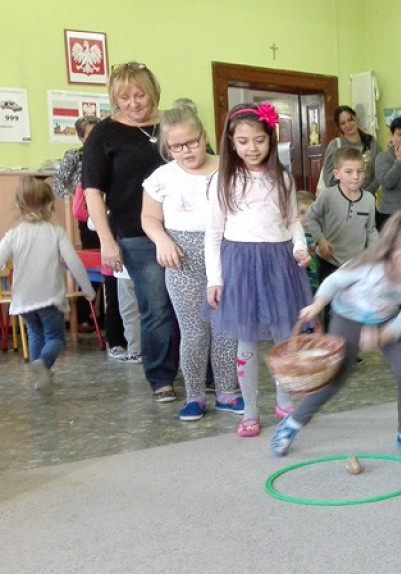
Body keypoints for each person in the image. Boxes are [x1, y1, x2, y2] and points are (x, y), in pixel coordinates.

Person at [270, 210, 401, 457]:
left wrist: (381, 336)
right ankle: (292, 423)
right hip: (347, 318)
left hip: (386, 321)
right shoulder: (368, 266)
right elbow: (333, 283)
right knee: (336, 379)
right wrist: (318, 305)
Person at [206, 102, 312, 437]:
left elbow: (293, 219)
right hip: (240, 265)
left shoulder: (281, 178)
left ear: (270, 139)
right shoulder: (223, 180)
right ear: (232, 143)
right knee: (247, 341)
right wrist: (215, 279)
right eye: (243, 141)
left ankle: (284, 400)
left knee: (284, 337)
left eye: (259, 140)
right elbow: (213, 232)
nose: (252, 148)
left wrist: (300, 247)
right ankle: (250, 411)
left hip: (279, 264)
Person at [82, 61, 180, 403]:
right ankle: (161, 377)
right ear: (114, 99)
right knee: (156, 307)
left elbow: (203, 163)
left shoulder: (172, 123)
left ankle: (198, 372)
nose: (135, 103)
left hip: (184, 229)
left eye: (140, 94)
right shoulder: (104, 134)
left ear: (153, 91)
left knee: (191, 306)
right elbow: (93, 191)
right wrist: (107, 241)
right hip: (136, 234)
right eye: (125, 97)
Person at [141, 103, 242, 422]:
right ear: (167, 147)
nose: (186, 151)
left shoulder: (228, 168)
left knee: (226, 330)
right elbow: (148, 217)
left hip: (225, 255)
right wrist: (162, 240)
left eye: (193, 142)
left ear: (204, 136)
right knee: (194, 332)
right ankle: (195, 395)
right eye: (176, 146)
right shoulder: (161, 177)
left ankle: (227, 392)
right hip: (182, 259)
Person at [0, 177, 95, 393]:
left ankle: (39, 378)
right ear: (50, 204)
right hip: (48, 297)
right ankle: (43, 364)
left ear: (18, 205)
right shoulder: (56, 232)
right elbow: (74, 263)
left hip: (23, 300)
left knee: (35, 334)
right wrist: (87, 289)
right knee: (55, 337)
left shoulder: (14, 235)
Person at [54, 115, 101, 334]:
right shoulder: (75, 155)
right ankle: (84, 316)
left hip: (108, 214)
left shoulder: (106, 153)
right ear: (81, 137)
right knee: (91, 267)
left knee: (109, 268)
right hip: (86, 217)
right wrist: (73, 198)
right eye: (90, 134)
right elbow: (58, 182)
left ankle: (102, 317)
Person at [306, 146, 379, 288]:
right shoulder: (327, 196)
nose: (355, 176)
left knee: (350, 305)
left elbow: (371, 230)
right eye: (348, 172)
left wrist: (375, 252)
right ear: (337, 174)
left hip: (355, 264)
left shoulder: (369, 199)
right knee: (327, 303)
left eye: (360, 171)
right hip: (329, 262)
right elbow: (311, 218)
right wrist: (320, 240)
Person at [319, 105, 378, 194]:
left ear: (356, 118)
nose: (348, 125)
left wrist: (366, 193)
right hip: (342, 201)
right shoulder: (335, 145)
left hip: (368, 198)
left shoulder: (372, 142)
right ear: (339, 126)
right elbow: (328, 179)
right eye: (343, 123)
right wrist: (347, 195)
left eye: (350, 120)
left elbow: (379, 172)